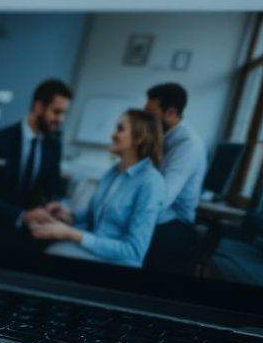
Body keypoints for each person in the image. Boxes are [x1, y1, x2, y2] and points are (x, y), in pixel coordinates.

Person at [29, 109, 166, 268]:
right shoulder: (113, 172)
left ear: (139, 137)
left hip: (118, 262)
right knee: (40, 242)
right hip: (96, 250)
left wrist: (70, 233)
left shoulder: (151, 183)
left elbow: (134, 251)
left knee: (54, 251)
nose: (112, 135)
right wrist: (68, 216)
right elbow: (91, 217)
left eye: (120, 129)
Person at [0, 79, 72, 241]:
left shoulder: (54, 145)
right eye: (57, 112)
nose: (61, 119)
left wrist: (56, 203)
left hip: (31, 234)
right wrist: (23, 215)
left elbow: (53, 187)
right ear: (39, 107)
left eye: (64, 113)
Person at [142, 82, 208, 269]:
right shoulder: (160, 136)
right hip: (159, 215)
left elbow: (162, 199)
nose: (144, 119)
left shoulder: (188, 145)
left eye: (150, 114)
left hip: (176, 222)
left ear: (170, 113)